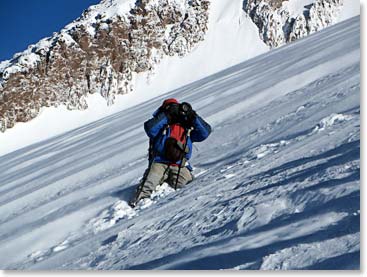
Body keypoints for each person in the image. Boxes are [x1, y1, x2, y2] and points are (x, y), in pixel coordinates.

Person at [129, 98, 212, 208]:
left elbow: (205, 133)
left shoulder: (186, 127)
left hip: (179, 163)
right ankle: (138, 203)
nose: (176, 111)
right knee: (147, 185)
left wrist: (193, 116)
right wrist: (167, 115)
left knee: (188, 186)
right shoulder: (161, 125)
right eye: (171, 108)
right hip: (159, 162)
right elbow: (150, 129)